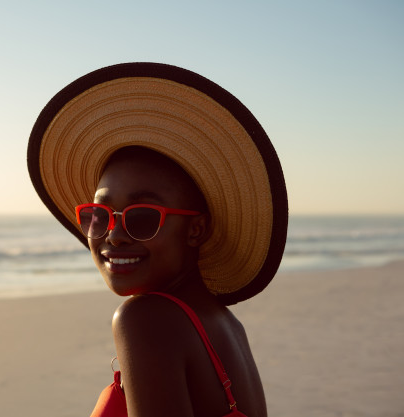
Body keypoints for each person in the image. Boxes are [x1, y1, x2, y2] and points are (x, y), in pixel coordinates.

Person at [28, 63, 288, 417]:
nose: (114, 236)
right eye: (100, 216)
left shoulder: (145, 318)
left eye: (143, 217)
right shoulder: (225, 324)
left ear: (195, 229)